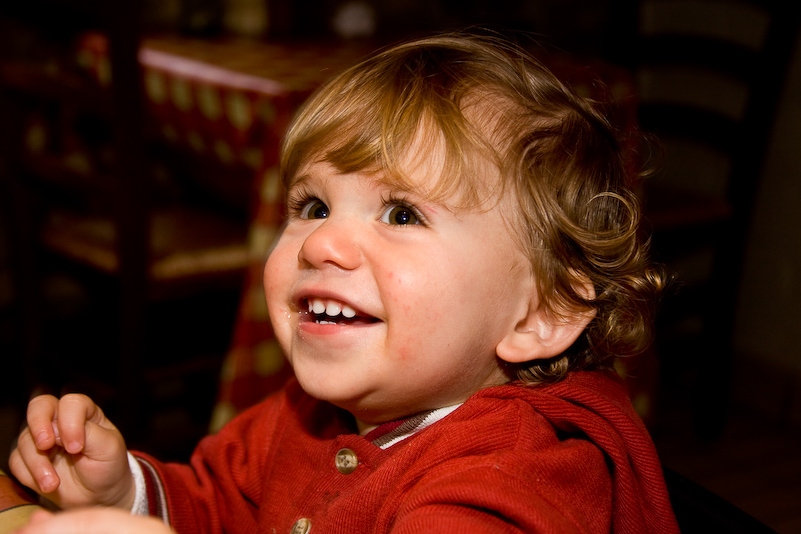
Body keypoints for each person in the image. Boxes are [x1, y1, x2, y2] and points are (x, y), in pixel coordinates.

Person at [9, 32, 679, 533]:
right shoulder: (301, 417)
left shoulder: (519, 481)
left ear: (539, 315)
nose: (322, 242)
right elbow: (216, 504)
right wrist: (119, 490)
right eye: (312, 207)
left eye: (402, 214)